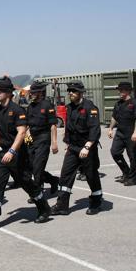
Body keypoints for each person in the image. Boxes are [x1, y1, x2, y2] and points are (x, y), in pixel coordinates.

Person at [0, 77, 51, 231]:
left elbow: (22, 132)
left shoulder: (18, 110)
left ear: (9, 93)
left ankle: (43, 207)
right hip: (2, 153)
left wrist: (12, 150)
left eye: (1, 90)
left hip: (17, 153)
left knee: (25, 182)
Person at [51, 81, 103, 216]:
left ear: (80, 93)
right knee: (65, 175)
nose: (70, 93)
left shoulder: (90, 107)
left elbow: (94, 130)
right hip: (73, 148)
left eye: (73, 91)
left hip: (87, 148)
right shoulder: (69, 108)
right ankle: (62, 205)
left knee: (91, 175)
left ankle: (96, 201)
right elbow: (69, 127)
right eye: (69, 91)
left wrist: (87, 147)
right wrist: (67, 142)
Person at [24, 81, 60, 202]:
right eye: (31, 92)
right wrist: (27, 134)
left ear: (40, 92)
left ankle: (37, 193)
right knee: (32, 167)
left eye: (34, 92)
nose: (32, 94)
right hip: (31, 139)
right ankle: (53, 180)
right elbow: (27, 124)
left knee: (38, 168)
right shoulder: (30, 106)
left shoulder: (47, 105)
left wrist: (54, 142)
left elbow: (53, 125)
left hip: (43, 138)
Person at [108, 81, 136, 186]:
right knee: (115, 152)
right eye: (119, 90)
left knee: (133, 156)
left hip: (131, 133)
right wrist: (110, 128)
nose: (119, 92)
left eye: (121, 90)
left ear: (127, 91)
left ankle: (133, 179)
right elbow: (114, 117)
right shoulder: (118, 103)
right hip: (120, 132)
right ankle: (126, 172)